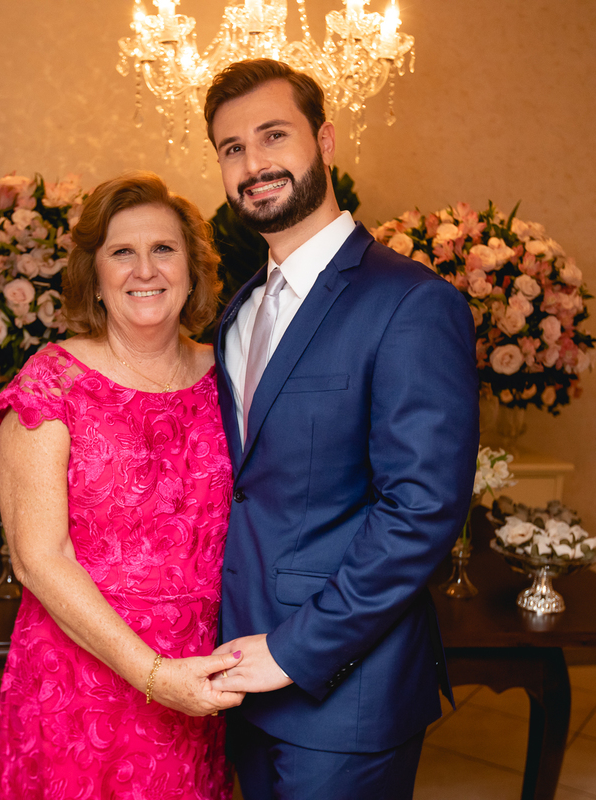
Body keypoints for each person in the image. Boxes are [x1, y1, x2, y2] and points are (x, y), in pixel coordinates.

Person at [203, 59, 479, 798]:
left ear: (324, 141)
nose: (253, 164)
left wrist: (292, 651)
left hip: (346, 695)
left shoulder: (411, 303)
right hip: (240, 679)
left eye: (273, 135)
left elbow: (422, 511)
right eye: (232, 148)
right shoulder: (238, 312)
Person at [0, 171, 244, 799]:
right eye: (122, 251)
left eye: (164, 249)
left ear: (192, 270)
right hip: (79, 680)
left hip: (202, 670)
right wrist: (152, 674)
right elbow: (38, 559)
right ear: (94, 276)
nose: (145, 269)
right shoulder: (52, 382)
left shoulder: (232, 373)